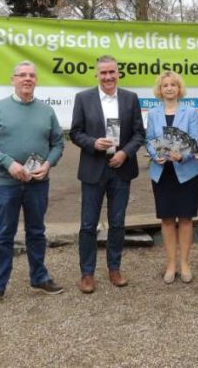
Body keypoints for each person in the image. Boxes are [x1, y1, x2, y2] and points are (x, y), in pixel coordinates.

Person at [0, 61, 65, 308]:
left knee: (37, 232)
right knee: (4, 234)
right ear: (13, 79)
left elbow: (58, 143)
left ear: (36, 80)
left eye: (32, 76)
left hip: (38, 183)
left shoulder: (46, 111)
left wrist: (48, 164)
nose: (27, 79)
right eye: (22, 75)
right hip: (7, 184)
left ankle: (39, 278)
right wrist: (8, 163)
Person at [70, 55, 145, 294]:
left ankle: (114, 268)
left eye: (112, 72)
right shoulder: (83, 98)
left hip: (121, 169)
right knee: (88, 224)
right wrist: (93, 143)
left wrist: (125, 153)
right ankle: (87, 274)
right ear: (97, 75)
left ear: (118, 73)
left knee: (118, 222)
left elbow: (138, 134)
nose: (108, 77)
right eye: (103, 73)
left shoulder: (130, 98)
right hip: (93, 169)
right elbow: (75, 133)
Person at [145, 71, 198, 284]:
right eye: (165, 85)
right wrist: (154, 154)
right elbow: (149, 139)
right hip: (162, 173)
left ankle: (184, 263)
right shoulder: (153, 113)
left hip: (185, 172)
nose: (169, 88)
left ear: (179, 89)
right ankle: (170, 263)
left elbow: (195, 142)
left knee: (186, 219)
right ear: (160, 89)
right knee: (167, 219)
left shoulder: (190, 112)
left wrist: (182, 155)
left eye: (173, 85)